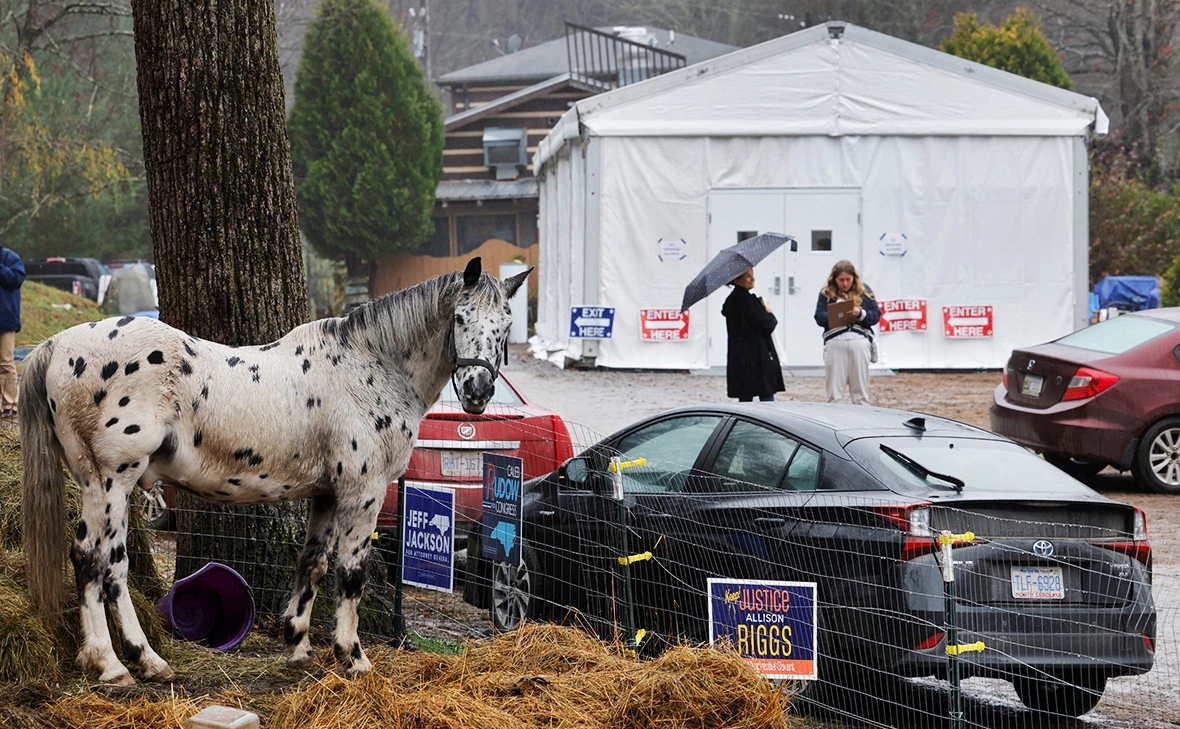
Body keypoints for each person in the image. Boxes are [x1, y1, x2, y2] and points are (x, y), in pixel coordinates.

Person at [814, 260, 879, 405]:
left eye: (848, 279)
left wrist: (860, 313)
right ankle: (833, 417)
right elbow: (819, 317)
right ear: (834, 279)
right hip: (835, 339)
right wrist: (836, 313)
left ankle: (862, 416)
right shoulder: (826, 293)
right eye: (841, 280)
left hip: (859, 339)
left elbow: (876, 315)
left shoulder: (864, 291)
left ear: (854, 278)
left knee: (860, 391)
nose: (845, 283)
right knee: (834, 392)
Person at [722, 267, 784, 402]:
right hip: (757, 356)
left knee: (745, 398)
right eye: (748, 276)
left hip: (739, 356)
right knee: (766, 395)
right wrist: (769, 313)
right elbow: (767, 325)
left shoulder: (731, 301)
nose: (752, 279)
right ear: (737, 280)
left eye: (752, 275)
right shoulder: (749, 301)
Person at [0, 238, 25, 418]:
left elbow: (15, 280)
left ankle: (11, 405)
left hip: (6, 320)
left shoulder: (11, 258)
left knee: (6, 361)